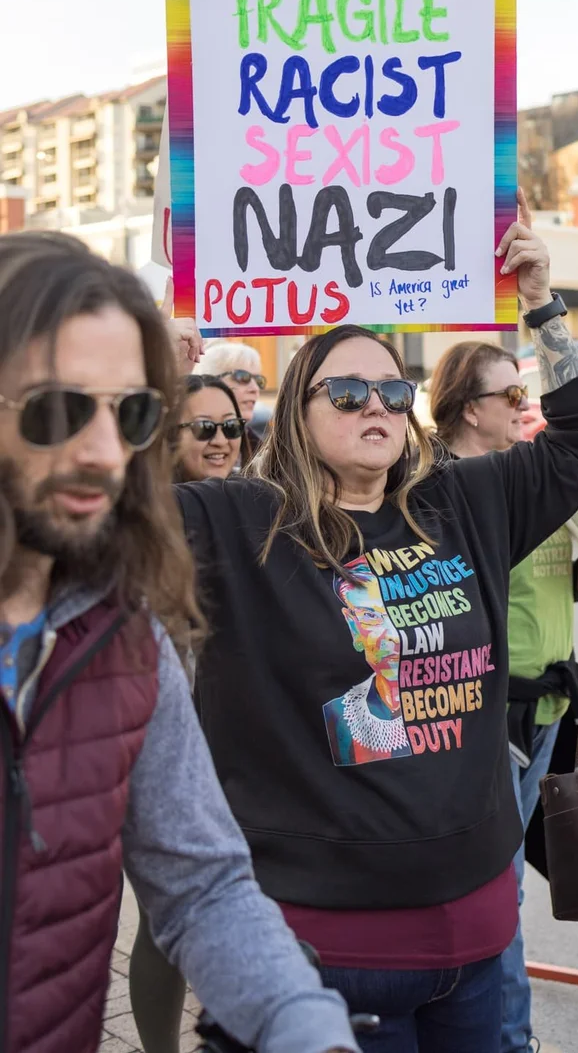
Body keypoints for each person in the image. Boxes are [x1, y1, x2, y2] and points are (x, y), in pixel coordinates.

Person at [173, 190, 578, 1053]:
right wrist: (155, 376)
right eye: (345, 391)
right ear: (298, 409)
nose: (374, 403)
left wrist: (541, 305)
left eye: (388, 388)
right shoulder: (237, 520)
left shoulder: (461, 501)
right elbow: (105, 507)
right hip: (321, 949)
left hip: (476, 939)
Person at [0, 230, 358, 1053]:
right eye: (57, 409)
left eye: (130, 412)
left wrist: (304, 1023)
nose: (102, 452)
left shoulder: (123, 635)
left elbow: (201, 883)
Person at [428, 341, 578, 1053]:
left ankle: (497, 1030)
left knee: (504, 885)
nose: (526, 407)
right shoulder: (450, 491)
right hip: (498, 713)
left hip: (551, 706)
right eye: (511, 396)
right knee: (500, 889)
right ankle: (505, 1037)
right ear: (471, 408)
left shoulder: (525, 477)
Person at [127, 372, 249, 1053]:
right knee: (164, 917)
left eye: (230, 426)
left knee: (239, 905)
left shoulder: (259, 503)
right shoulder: (144, 520)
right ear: (168, 436)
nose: (222, 439)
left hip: (248, 742)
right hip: (170, 742)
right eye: (203, 427)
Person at [171, 374, 247, 482]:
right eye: (204, 427)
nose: (221, 441)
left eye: (231, 425)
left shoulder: (256, 495)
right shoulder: (149, 497)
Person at [196, 342, 267, 451]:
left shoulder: (259, 450)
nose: (255, 389)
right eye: (242, 377)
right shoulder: (186, 438)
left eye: (258, 380)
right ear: (209, 381)